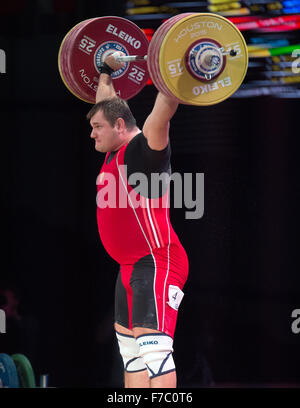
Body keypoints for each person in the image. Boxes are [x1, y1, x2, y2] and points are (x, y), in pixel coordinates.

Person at [86, 52, 189, 388]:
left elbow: (163, 115)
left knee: (154, 350)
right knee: (131, 353)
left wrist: (170, 75)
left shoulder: (143, 151)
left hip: (157, 261)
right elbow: (108, 104)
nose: (92, 134)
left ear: (118, 127)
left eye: (96, 127)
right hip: (129, 266)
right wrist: (104, 70)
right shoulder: (115, 149)